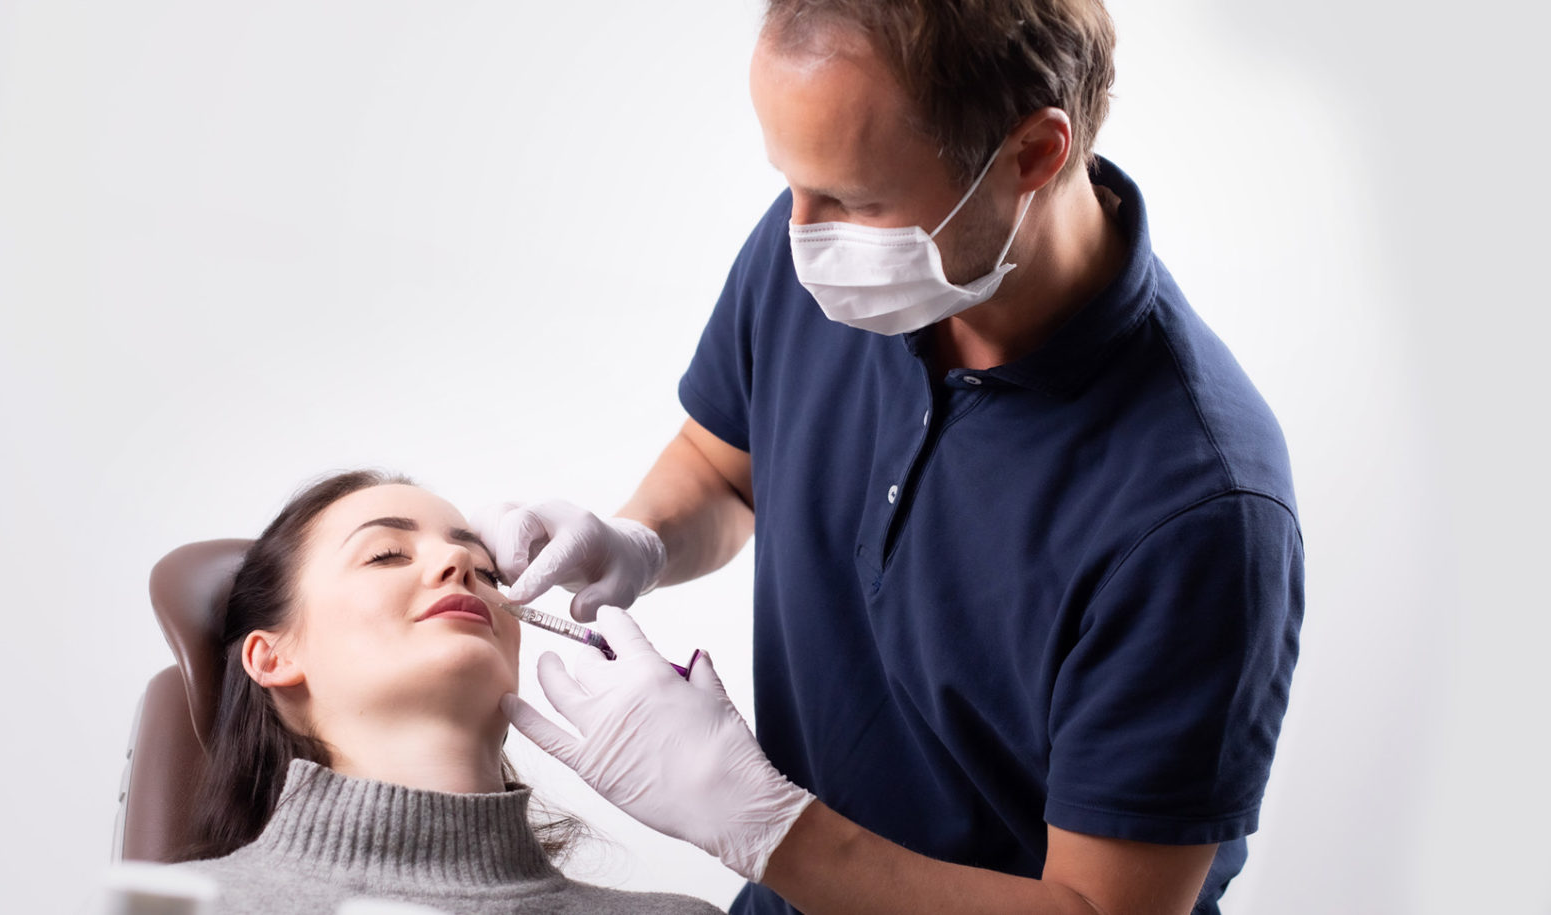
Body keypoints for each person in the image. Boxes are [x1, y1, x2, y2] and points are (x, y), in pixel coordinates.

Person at [481, 3, 1304, 914]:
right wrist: (637, 539)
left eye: (855, 200)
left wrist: (768, 829)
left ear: (1034, 153)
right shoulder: (834, 249)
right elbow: (723, 467)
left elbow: (1099, 910)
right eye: (791, 181)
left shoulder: (1197, 508)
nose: (802, 232)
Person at [170, 470, 725, 915]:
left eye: (488, 571)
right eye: (386, 554)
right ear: (273, 657)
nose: (459, 563)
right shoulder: (171, 908)